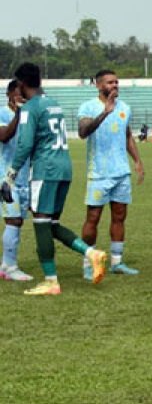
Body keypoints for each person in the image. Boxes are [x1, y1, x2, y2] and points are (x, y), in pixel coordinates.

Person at [0, 63, 109, 295]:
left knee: (41, 224)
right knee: (51, 225)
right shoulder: (53, 104)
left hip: (44, 170)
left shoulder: (30, 108)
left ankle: (51, 281)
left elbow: (25, 144)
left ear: (20, 84)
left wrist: (10, 175)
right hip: (64, 168)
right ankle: (91, 253)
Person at [78, 69, 145, 277]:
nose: (115, 85)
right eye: (109, 82)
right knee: (93, 217)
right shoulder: (88, 107)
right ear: (99, 86)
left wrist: (137, 160)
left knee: (119, 217)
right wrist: (105, 112)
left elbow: (127, 136)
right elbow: (82, 132)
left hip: (121, 173)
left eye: (116, 82)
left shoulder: (125, 107)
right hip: (98, 173)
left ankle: (117, 262)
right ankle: (88, 263)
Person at [0, 81, 34, 281]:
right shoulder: (3, 113)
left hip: (22, 177)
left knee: (18, 221)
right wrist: (18, 115)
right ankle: (11, 267)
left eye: (24, 93)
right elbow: (4, 136)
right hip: (5, 176)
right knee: (12, 219)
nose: (22, 96)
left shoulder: (28, 116)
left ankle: (6, 263)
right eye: (18, 92)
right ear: (8, 93)